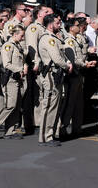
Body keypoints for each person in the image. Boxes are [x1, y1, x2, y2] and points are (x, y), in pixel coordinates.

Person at [35, 13, 70, 146]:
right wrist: (67, 66)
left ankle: (50, 134)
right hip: (50, 75)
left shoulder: (54, 38)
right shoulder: (48, 38)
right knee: (49, 106)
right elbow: (56, 58)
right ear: (50, 24)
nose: (59, 25)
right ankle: (45, 137)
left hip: (56, 75)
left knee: (54, 107)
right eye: (57, 22)